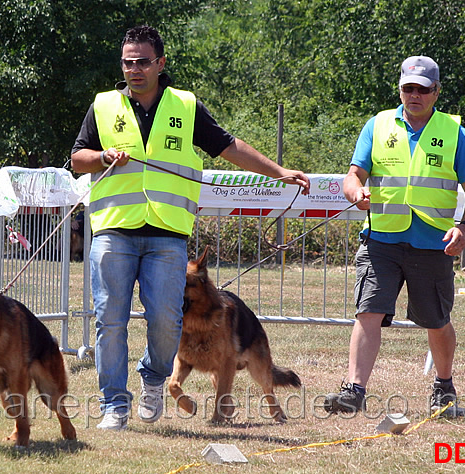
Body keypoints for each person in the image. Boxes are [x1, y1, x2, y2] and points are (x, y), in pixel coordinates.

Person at [70, 25, 310, 431]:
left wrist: (279, 171)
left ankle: (152, 376)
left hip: (167, 233)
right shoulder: (103, 106)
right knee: (110, 319)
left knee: (166, 321)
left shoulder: (184, 105)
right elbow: (77, 158)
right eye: (128, 62)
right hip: (114, 228)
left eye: (142, 61)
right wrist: (102, 156)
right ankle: (114, 404)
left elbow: (229, 145)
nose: (134, 69)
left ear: (160, 64)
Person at [324, 56, 465, 415]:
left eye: (422, 89)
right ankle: (354, 391)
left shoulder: (453, 132)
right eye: (408, 88)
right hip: (381, 238)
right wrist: (355, 193)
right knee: (369, 311)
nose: (414, 95)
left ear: (436, 92)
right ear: (399, 89)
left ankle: (444, 386)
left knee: (437, 321)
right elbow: (354, 175)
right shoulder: (378, 125)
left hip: (434, 245)